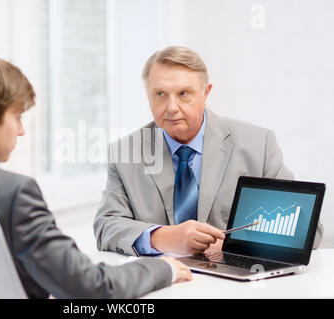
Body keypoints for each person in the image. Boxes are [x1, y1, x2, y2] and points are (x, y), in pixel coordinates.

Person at [0, 52, 192, 299]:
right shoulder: (13, 193)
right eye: (16, 117)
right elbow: (90, 287)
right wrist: (159, 269)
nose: (21, 129)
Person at [93, 46, 323, 256]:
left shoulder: (257, 144)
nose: (172, 108)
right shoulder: (125, 152)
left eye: (184, 93)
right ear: (148, 96)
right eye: (160, 94)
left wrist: (237, 245)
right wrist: (162, 237)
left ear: (206, 93)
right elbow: (106, 226)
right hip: (162, 283)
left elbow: (308, 229)